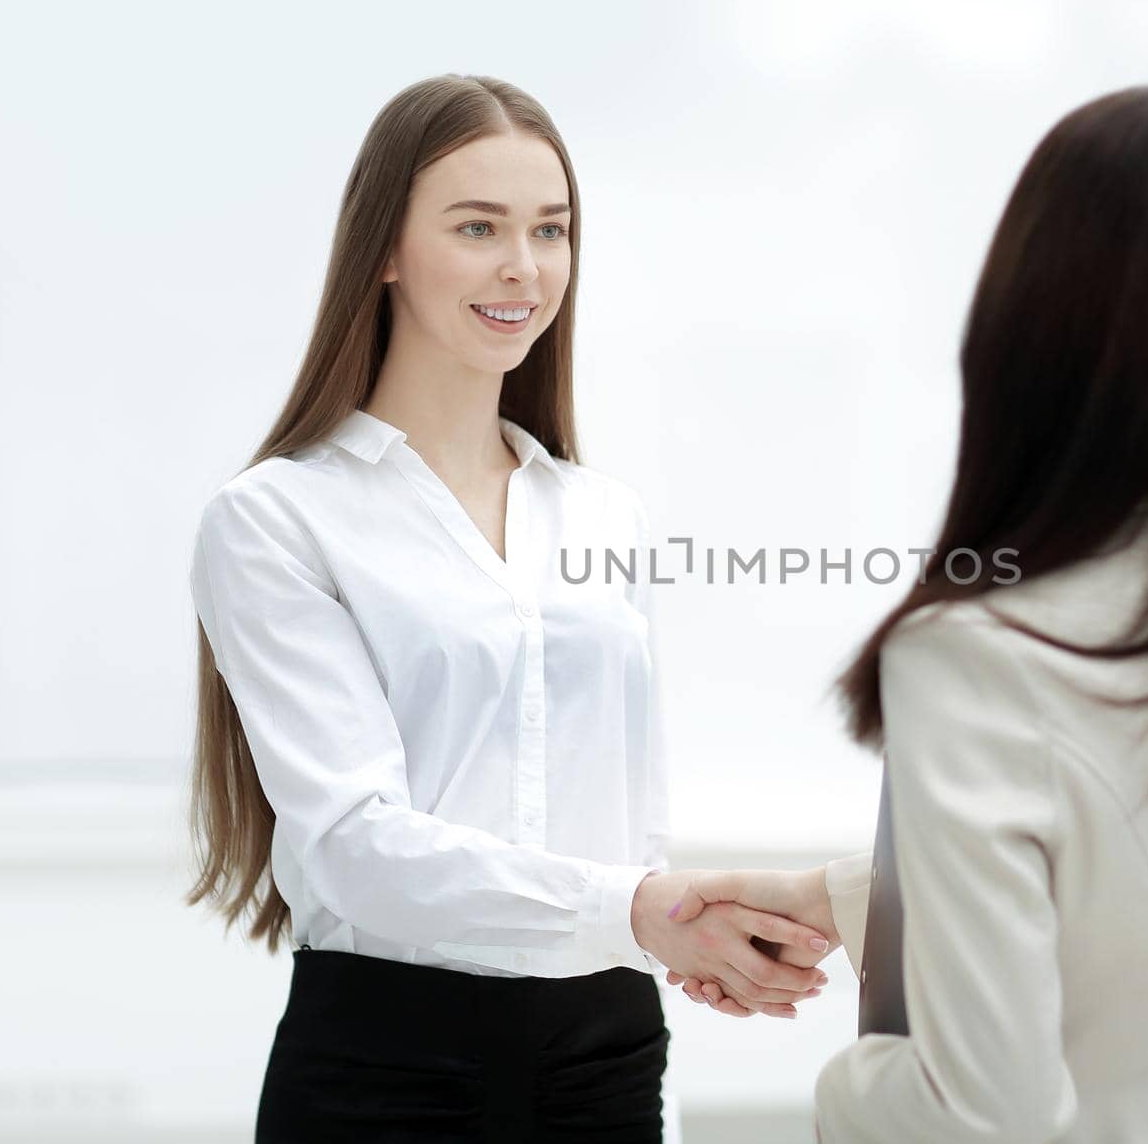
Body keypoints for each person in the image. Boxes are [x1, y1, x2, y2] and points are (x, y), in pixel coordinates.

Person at [663, 84, 1148, 1143]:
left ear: (1027, 331)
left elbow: (984, 1119)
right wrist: (871, 900)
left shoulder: (979, 652)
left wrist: (844, 1087)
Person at [183, 73, 831, 1144]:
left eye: (551, 229)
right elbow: (353, 844)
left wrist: (674, 929)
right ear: (384, 248)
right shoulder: (276, 519)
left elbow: (630, 819)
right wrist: (634, 911)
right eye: (477, 226)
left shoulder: (603, 515)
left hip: (606, 1051)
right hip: (386, 1064)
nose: (523, 268)